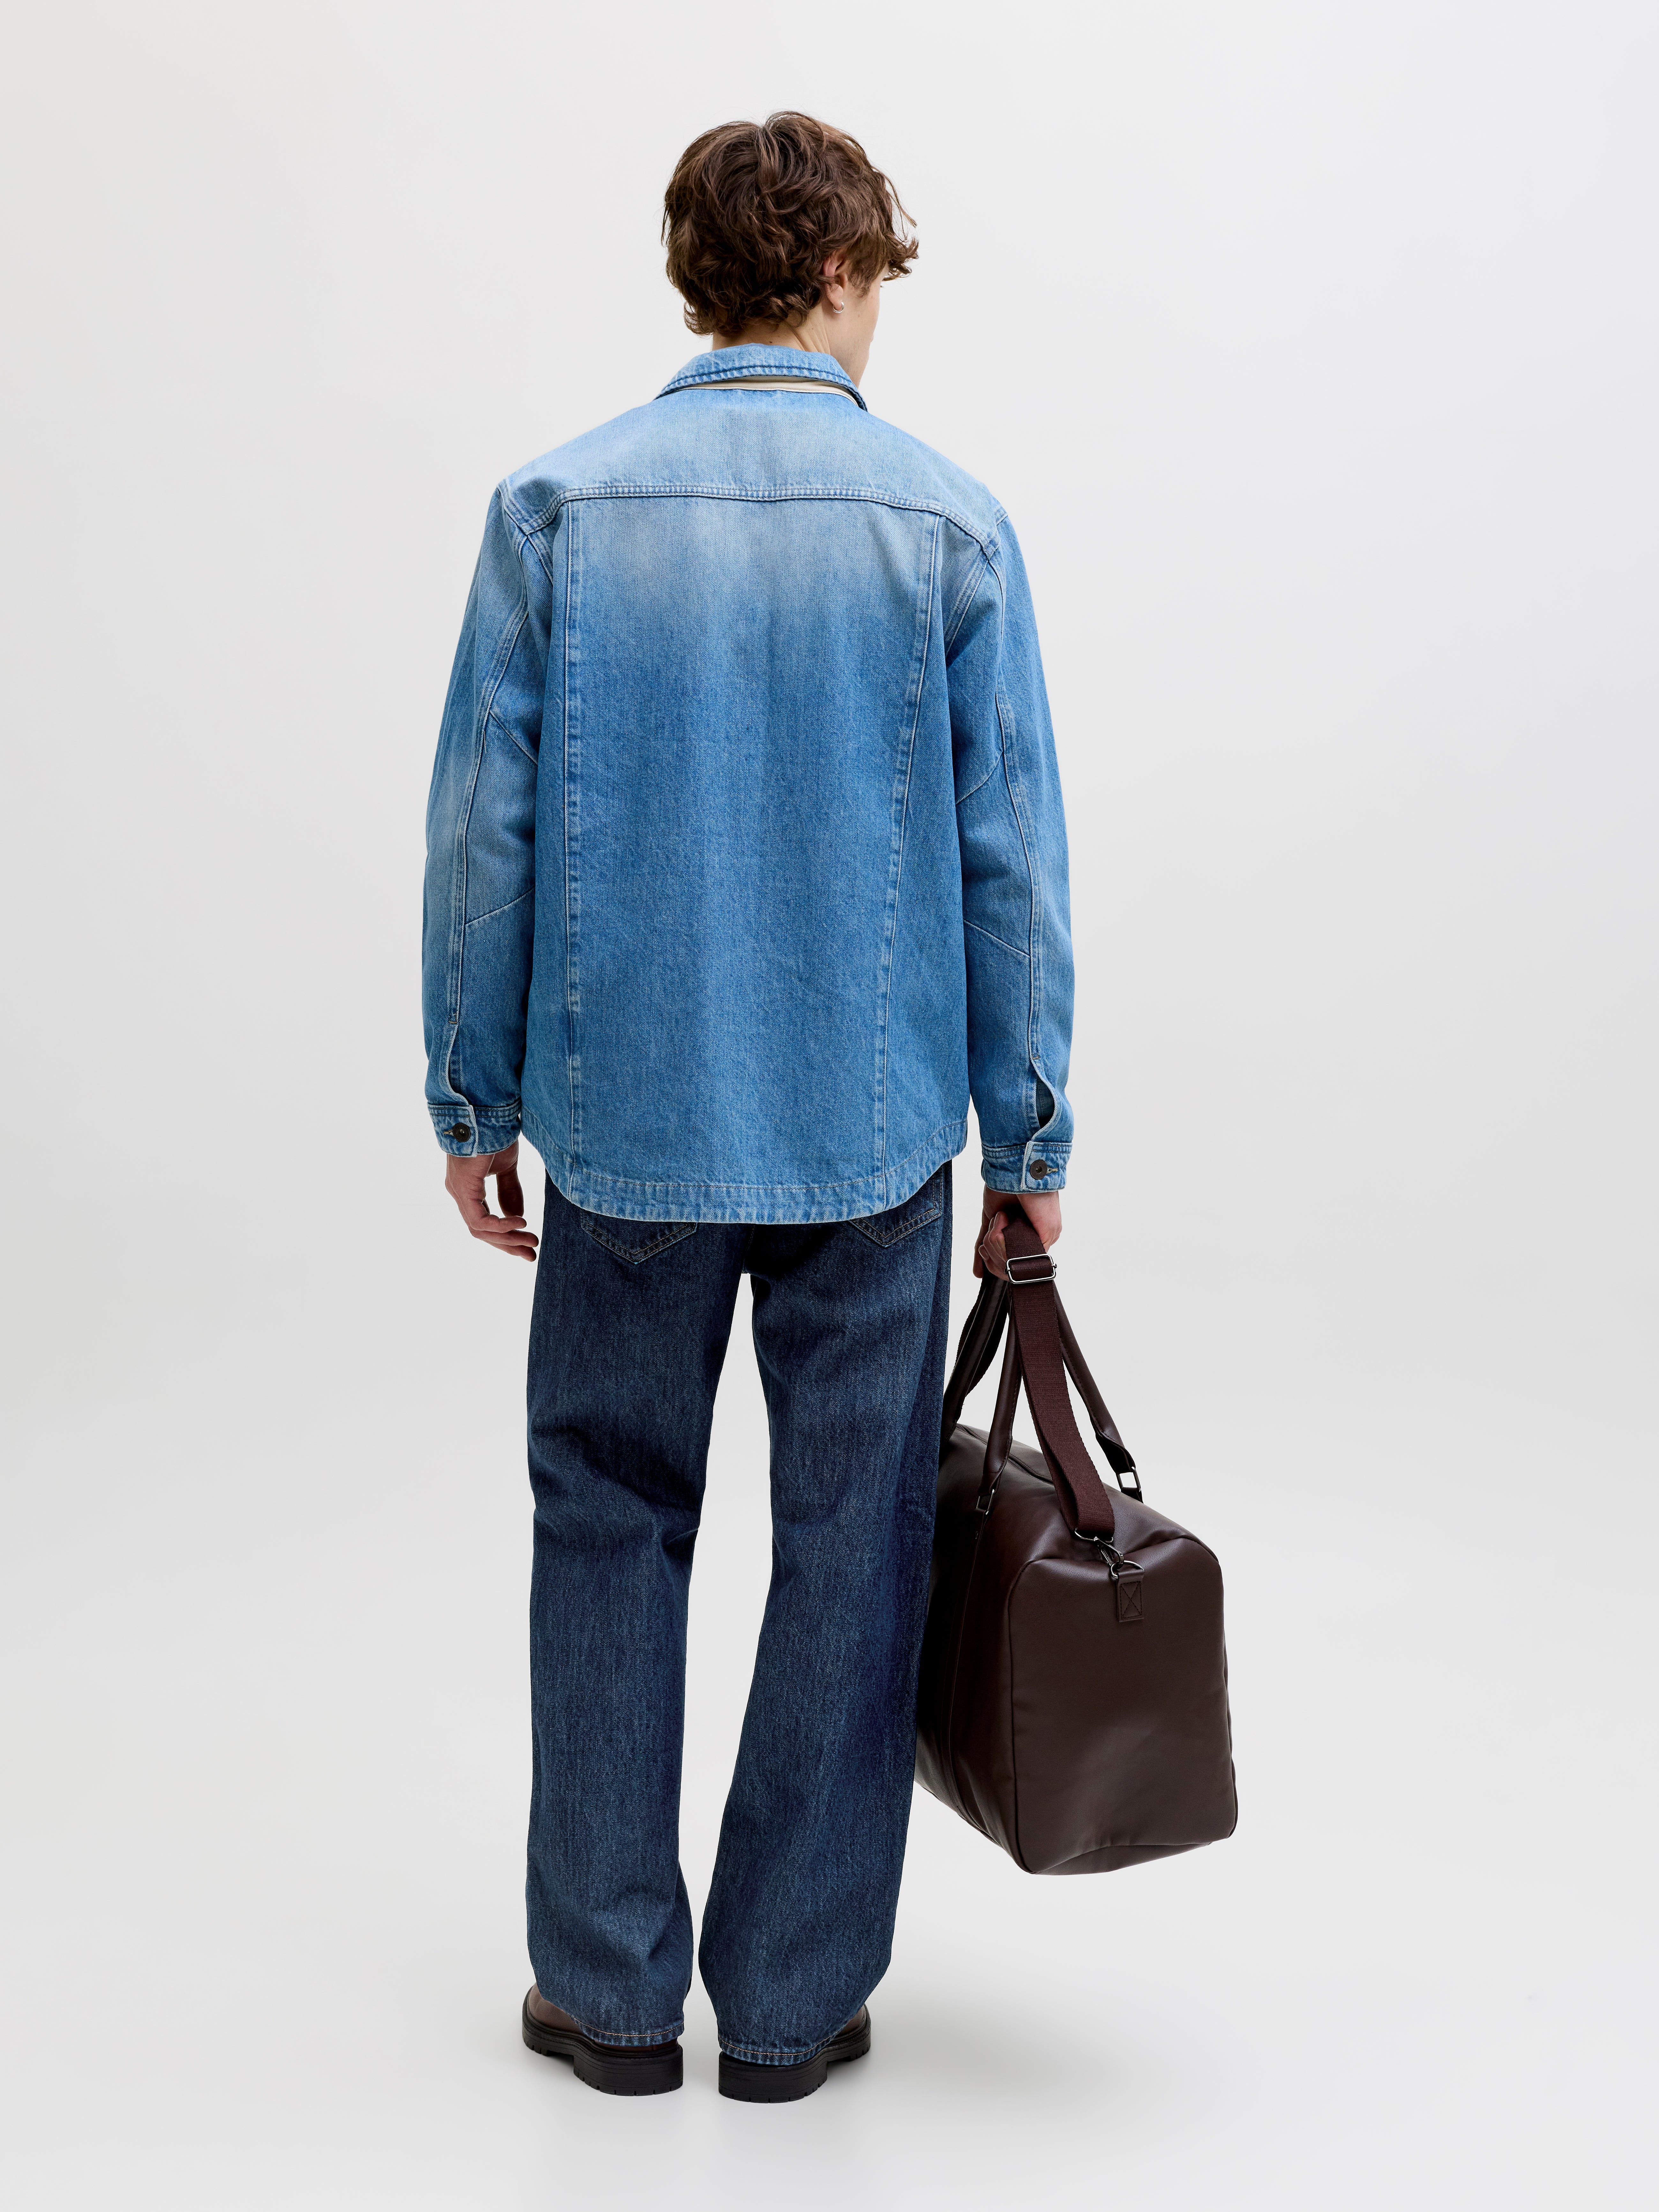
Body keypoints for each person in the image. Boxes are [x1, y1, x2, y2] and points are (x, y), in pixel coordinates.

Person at [422, 111, 1072, 2102]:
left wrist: (475, 1090)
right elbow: (1008, 864)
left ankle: (608, 1989)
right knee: (857, 1542)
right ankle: (790, 2005)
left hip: (626, 1122)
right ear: (849, 273)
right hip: (874, 1131)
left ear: (698, 281)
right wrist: (1029, 1140)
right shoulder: (948, 527)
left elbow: (487, 829)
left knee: (608, 1514)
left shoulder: (557, 509)